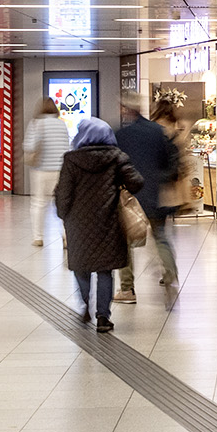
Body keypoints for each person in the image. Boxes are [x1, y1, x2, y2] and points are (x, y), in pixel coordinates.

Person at [54, 117, 143, 333]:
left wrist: (63, 214)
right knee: (105, 270)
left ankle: (85, 305)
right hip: (109, 221)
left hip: (78, 223)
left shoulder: (71, 160)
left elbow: (63, 193)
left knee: (81, 266)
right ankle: (103, 317)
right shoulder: (117, 158)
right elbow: (136, 182)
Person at [114, 92, 180, 305]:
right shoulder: (157, 131)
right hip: (155, 193)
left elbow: (117, 166)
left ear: (126, 109)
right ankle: (170, 273)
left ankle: (127, 289)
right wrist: (162, 180)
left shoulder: (121, 135)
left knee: (125, 242)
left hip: (130, 197)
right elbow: (169, 161)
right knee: (160, 235)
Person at [23, 97, 70, 247]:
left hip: (41, 170)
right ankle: (65, 236)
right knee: (62, 203)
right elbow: (67, 147)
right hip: (60, 170)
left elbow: (29, 146)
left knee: (38, 203)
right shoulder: (62, 124)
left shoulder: (36, 124)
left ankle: (38, 237)